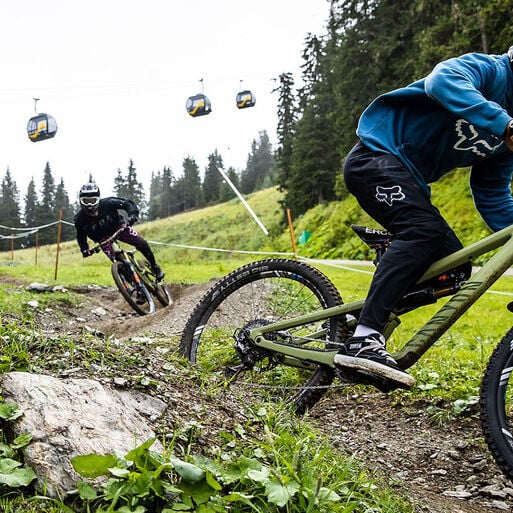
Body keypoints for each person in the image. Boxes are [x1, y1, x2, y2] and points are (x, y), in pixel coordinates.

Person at [334, 47, 513, 389]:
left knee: (457, 268)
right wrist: (504, 124)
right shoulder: (492, 71)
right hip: (375, 156)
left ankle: (361, 316)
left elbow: (492, 195)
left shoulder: (508, 142)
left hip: (405, 177)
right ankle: (365, 337)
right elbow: (442, 81)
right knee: (424, 231)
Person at [74, 183, 165, 281]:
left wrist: (132, 215)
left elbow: (127, 203)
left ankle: (154, 266)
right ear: (81, 201)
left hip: (119, 228)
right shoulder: (79, 219)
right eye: (86, 201)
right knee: (118, 264)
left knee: (141, 243)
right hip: (103, 239)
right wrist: (84, 249)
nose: (89, 205)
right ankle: (136, 286)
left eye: (92, 201)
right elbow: (81, 236)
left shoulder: (108, 203)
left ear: (98, 199)